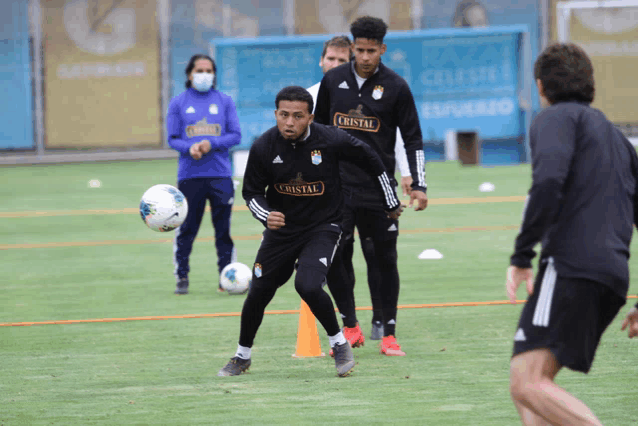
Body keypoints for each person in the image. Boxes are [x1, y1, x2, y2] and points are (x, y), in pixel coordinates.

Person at [217, 86, 403, 377]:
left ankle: (339, 344)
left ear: (311, 117)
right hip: (282, 233)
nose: (289, 122)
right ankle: (242, 356)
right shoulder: (264, 146)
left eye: (297, 116)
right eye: (283, 115)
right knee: (259, 292)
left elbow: (370, 158)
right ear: (275, 114)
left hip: (324, 227)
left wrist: (389, 200)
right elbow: (252, 192)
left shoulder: (330, 139)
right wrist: (267, 215)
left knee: (307, 285)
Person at [506, 43, 638, 425]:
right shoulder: (618, 141)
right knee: (534, 388)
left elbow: (547, 182)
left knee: (525, 382)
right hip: (612, 277)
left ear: (540, 86)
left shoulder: (554, 119)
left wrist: (521, 257)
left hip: (570, 267)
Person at [314, 16, 428, 356]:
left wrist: (419, 185)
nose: (365, 57)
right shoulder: (333, 81)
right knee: (337, 257)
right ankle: (350, 326)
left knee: (384, 258)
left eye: (372, 51)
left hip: (380, 189)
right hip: (338, 188)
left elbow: (413, 139)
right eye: (360, 50)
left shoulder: (396, 86)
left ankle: (390, 333)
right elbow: (316, 132)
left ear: (383, 49)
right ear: (352, 48)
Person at [167, 54, 241, 295]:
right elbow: (172, 138)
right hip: (190, 176)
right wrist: (189, 148)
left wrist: (211, 143)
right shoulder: (178, 103)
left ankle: (227, 278)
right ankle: (182, 276)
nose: (204, 75)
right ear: (190, 74)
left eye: (209, 71)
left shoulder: (224, 101)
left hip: (220, 175)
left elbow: (235, 135)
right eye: (200, 70)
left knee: (223, 231)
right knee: (187, 228)